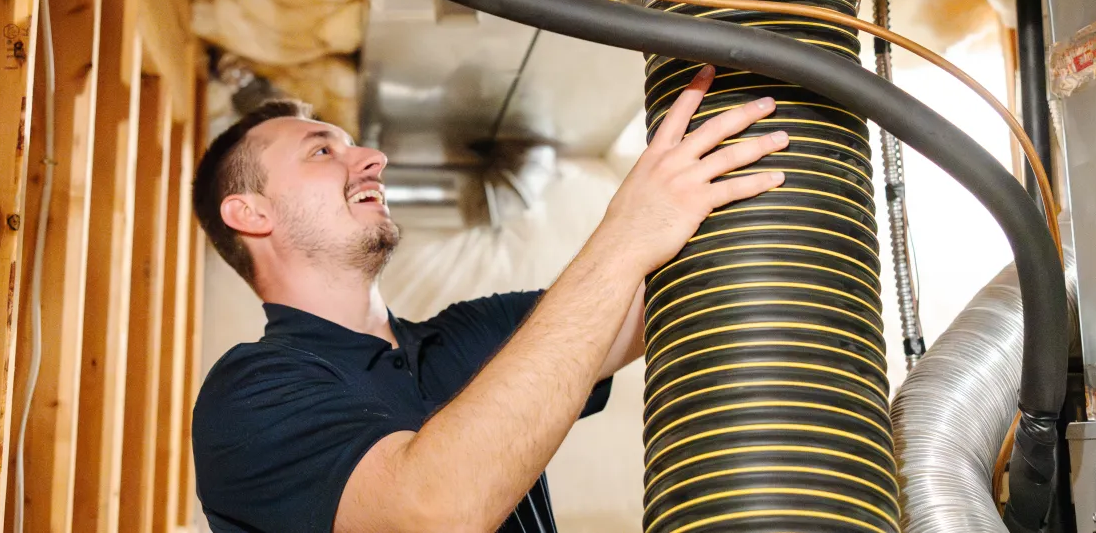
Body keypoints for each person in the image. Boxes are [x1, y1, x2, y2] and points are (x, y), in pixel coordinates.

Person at [188, 63, 794, 533]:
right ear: (251, 213)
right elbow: (434, 512)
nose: (374, 158)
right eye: (323, 151)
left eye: (353, 145)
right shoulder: (250, 396)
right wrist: (625, 232)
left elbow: (673, 295)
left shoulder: (475, 334)